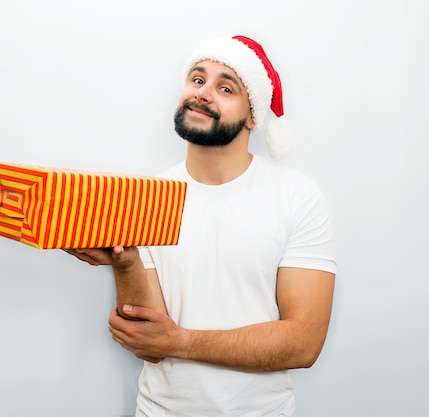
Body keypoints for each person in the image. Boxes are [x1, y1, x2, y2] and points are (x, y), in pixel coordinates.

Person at [66, 35, 336, 417]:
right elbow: (148, 342)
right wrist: (123, 261)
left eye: (226, 87)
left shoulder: (296, 196)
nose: (204, 93)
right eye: (197, 80)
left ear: (253, 117)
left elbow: (304, 343)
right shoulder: (147, 198)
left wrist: (179, 341)